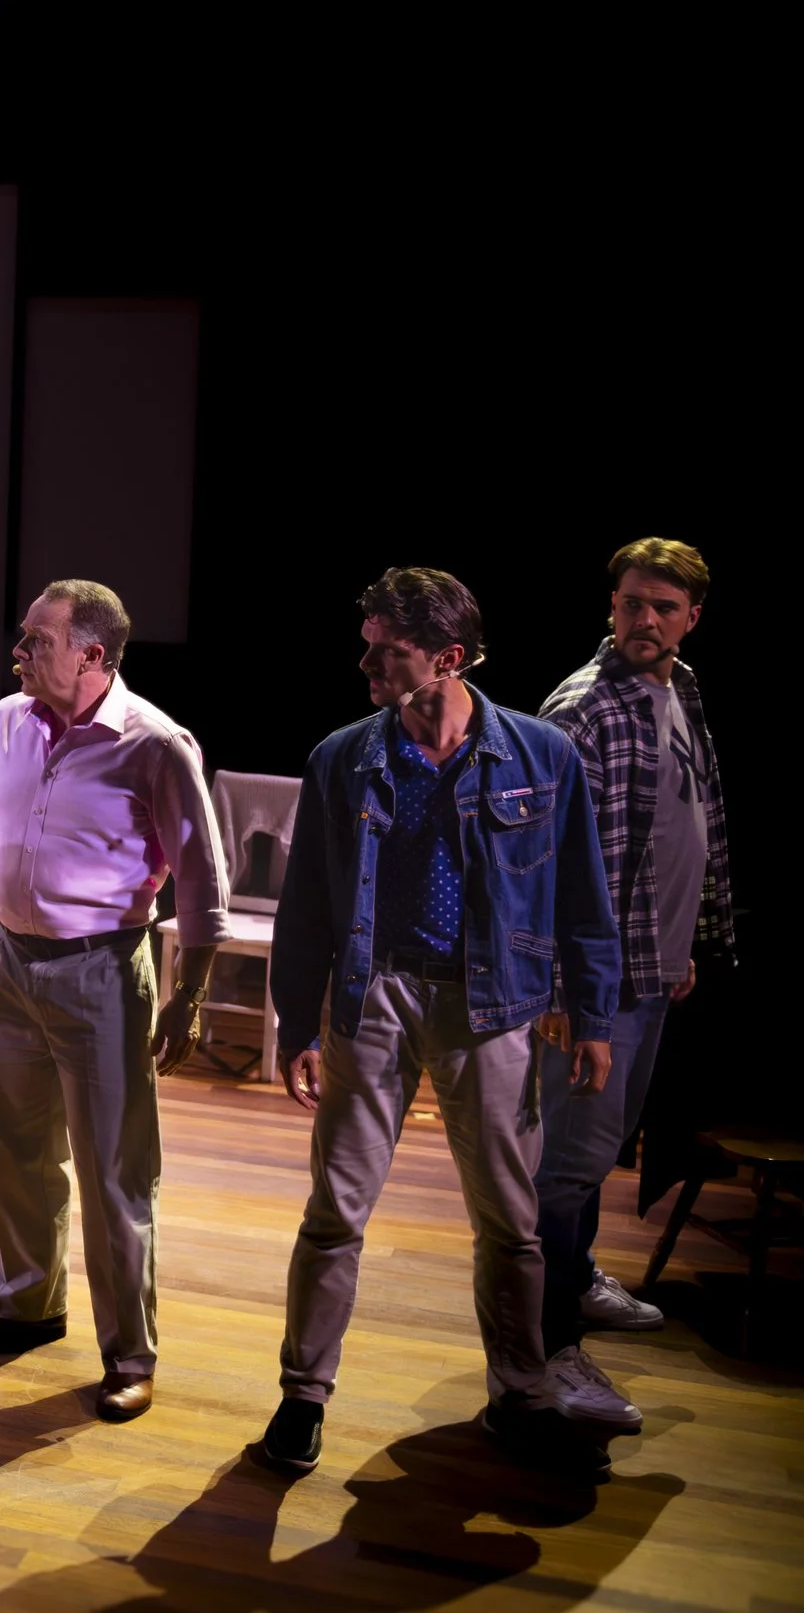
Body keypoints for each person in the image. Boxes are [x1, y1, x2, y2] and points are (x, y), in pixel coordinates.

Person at [257, 568, 620, 1482]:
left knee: (511, 1220)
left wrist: (593, 1011)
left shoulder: (541, 756)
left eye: (390, 649)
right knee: (335, 1211)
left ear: (448, 659)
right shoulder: (344, 756)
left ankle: (522, 1393)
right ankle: (303, 1397)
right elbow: (305, 906)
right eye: (370, 642)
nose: (367, 661)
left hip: (493, 1005)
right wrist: (299, 1020)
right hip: (373, 996)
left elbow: (582, 894)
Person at [0, 579, 227, 1424]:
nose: (18, 653)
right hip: (13, 963)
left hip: (103, 970)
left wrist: (189, 997)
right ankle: (28, 1306)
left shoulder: (155, 745)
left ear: (93, 656)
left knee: (114, 1171)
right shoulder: (8, 720)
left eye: (37, 641)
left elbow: (205, 886)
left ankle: (129, 1354)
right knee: (11, 1150)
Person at [531, 539, 735, 1429]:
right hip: (594, 981)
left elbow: (683, 827)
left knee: (597, 1155)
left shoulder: (679, 690)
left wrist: (687, 938)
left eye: (664, 607)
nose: (645, 620)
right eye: (631, 604)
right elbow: (540, 863)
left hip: (651, 966)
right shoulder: (584, 709)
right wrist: (564, 991)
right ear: (610, 607)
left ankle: (571, 1284)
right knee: (569, 1160)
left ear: (692, 615)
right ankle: (542, 1344)